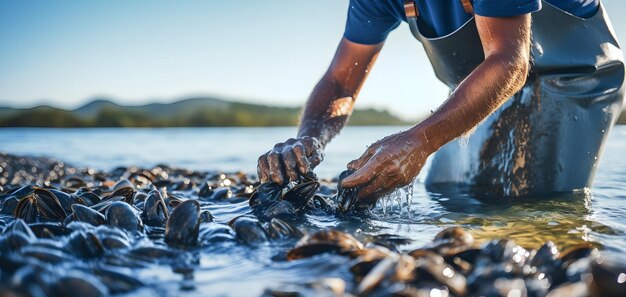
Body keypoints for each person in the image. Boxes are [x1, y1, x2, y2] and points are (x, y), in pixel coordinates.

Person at [257, 0, 624, 204]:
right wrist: (310, 138)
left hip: (573, 74)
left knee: (532, 208)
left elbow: (510, 63)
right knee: (448, 192)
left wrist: (419, 141)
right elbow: (340, 78)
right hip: (485, 89)